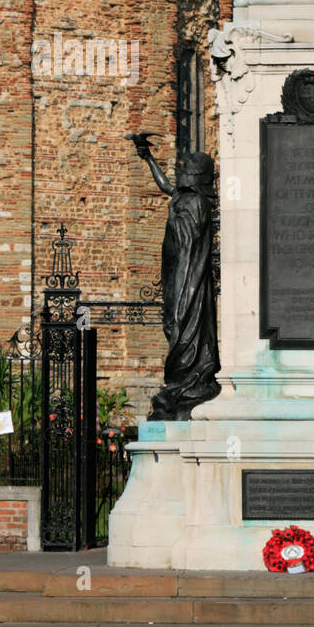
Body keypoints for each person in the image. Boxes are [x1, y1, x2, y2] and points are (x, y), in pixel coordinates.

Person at [131, 136, 220, 420]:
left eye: (183, 172)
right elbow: (165, 186)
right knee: (173, 320)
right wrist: (147, 159)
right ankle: (182, 381)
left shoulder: (196, 205)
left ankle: (190, 380)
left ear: (194, 177)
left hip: (187, 275)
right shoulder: (183, 196)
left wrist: (183, 280)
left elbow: (190, 248)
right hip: (175, 272)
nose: (178, 177)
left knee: (183, 321)